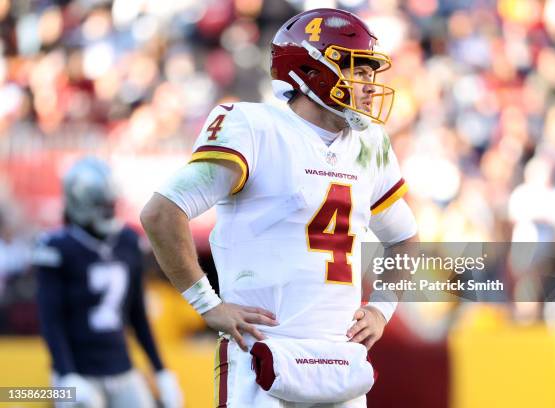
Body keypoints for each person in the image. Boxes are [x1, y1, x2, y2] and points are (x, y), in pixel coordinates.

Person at [141, 8, 418, 408]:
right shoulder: (254, 127)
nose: (369, 85)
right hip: (263, 358)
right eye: (357, 70)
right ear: (313, 71)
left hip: (340, 363)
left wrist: (382, 308)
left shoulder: (370, 145)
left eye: (371, 73)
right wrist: (207, 303)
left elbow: (405, 240)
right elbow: (161, 213)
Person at [34, 157, 183, 408]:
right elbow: (51, 321)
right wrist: (66, 374)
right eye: (103, 205)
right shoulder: (56, 248)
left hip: (122, 369)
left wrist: (160, 370)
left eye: (111, 204)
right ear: (80, 202)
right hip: (78, 372)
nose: (110, 211)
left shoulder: (128, 241)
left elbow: (138, 314)